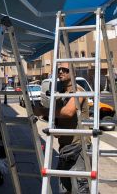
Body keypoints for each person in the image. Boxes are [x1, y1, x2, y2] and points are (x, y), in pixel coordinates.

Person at [35, 64, 90, 193]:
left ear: (73, 73)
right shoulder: (60, 95)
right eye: (59, 70)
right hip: (65, 148)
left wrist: (42, 110)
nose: (61, 72)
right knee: (65, 188)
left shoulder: (79, 91)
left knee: (81, 188)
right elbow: (59, 119)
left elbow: (68, 112)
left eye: (65, 70)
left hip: (79, 147)